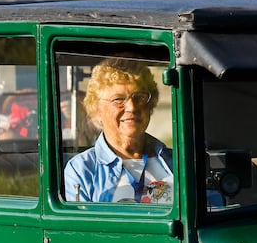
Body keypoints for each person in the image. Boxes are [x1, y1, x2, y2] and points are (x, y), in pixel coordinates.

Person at [63, 59, 174, 203]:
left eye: (139, 97)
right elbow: (82, 225)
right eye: (118, 99)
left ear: (150, 105)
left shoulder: (177, 163)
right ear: (97, 110)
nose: (132, 107)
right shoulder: (82, 170)